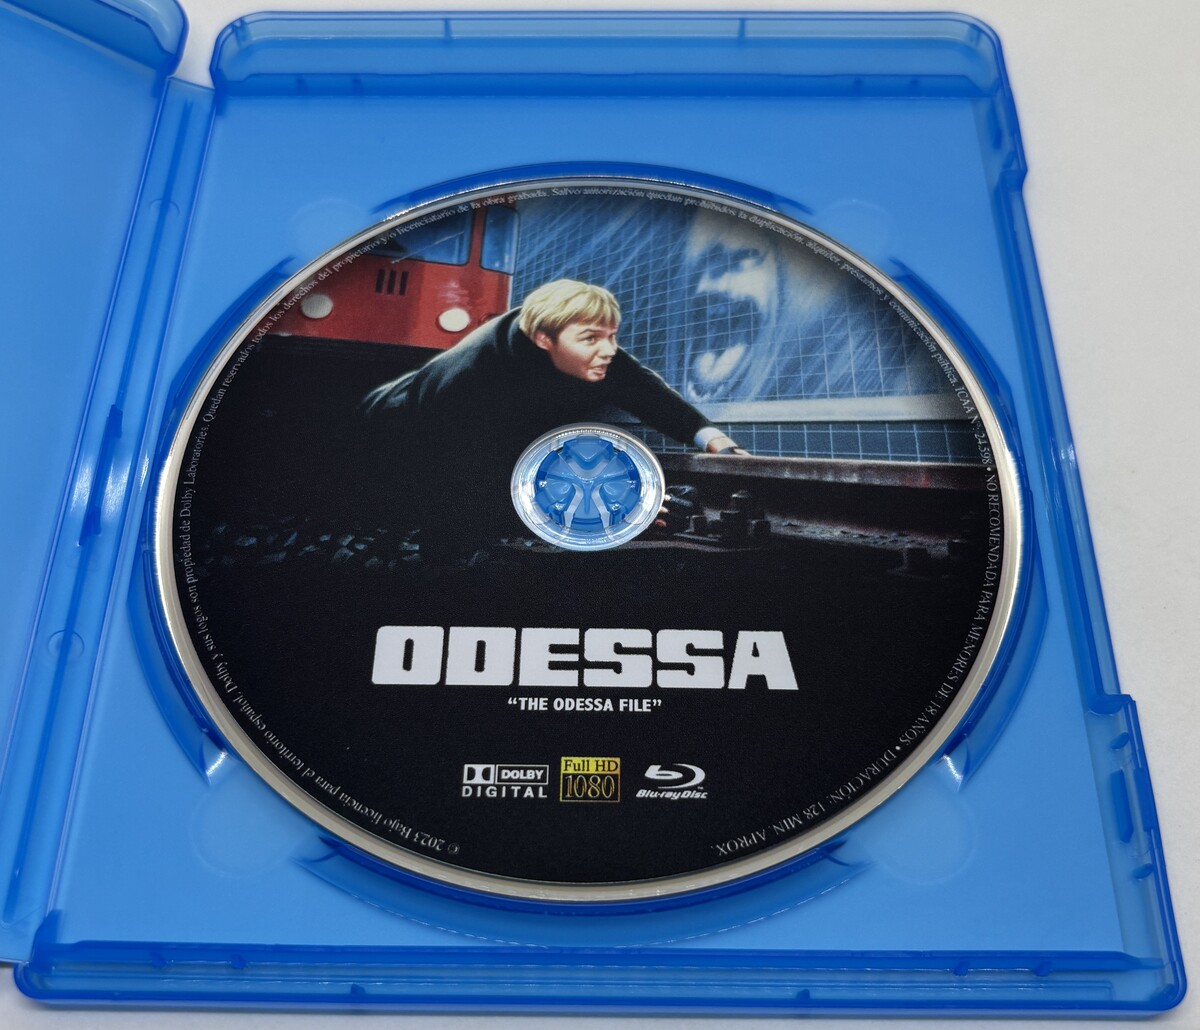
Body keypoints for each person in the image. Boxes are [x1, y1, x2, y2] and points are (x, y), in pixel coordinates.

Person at [355, 279, 744, 549]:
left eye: (612, 336)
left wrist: (713, 438)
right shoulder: (469, 384)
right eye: (592, 338)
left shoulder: (577, 342)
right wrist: (612, 519)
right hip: (392, 436)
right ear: (544, 339)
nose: (609, 350)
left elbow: (641, 388)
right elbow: (477, 494)